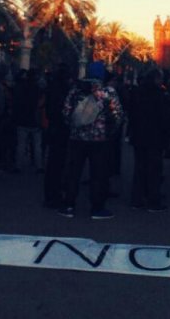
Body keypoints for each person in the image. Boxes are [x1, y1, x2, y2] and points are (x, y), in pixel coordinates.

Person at [58, 62, 125, 220]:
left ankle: (68, 205)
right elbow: (118, 115)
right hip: (99, 139)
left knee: (73, 172)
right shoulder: (107, 92)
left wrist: (74, 127)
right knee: (98, 174)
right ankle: (97, 207)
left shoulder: (76, 90)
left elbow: (66, 112)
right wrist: (110, 131)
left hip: (77, 138)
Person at [127, 69, 170, 212]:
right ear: (156, 79)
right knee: (154, 170)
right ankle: (153, 201)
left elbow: (131, 114)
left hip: (138, 137)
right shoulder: (159, 95)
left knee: (139, 168)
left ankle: (137, 199)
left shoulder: (137, 93)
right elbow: (165, 118)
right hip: (155, 138)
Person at [43, 65, 73, 208]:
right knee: (59, 163)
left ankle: (50, 193)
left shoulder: (51, 89)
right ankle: (56, 193)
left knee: (53, 163)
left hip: (53, 129)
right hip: (61, 130)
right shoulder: (64, 92)